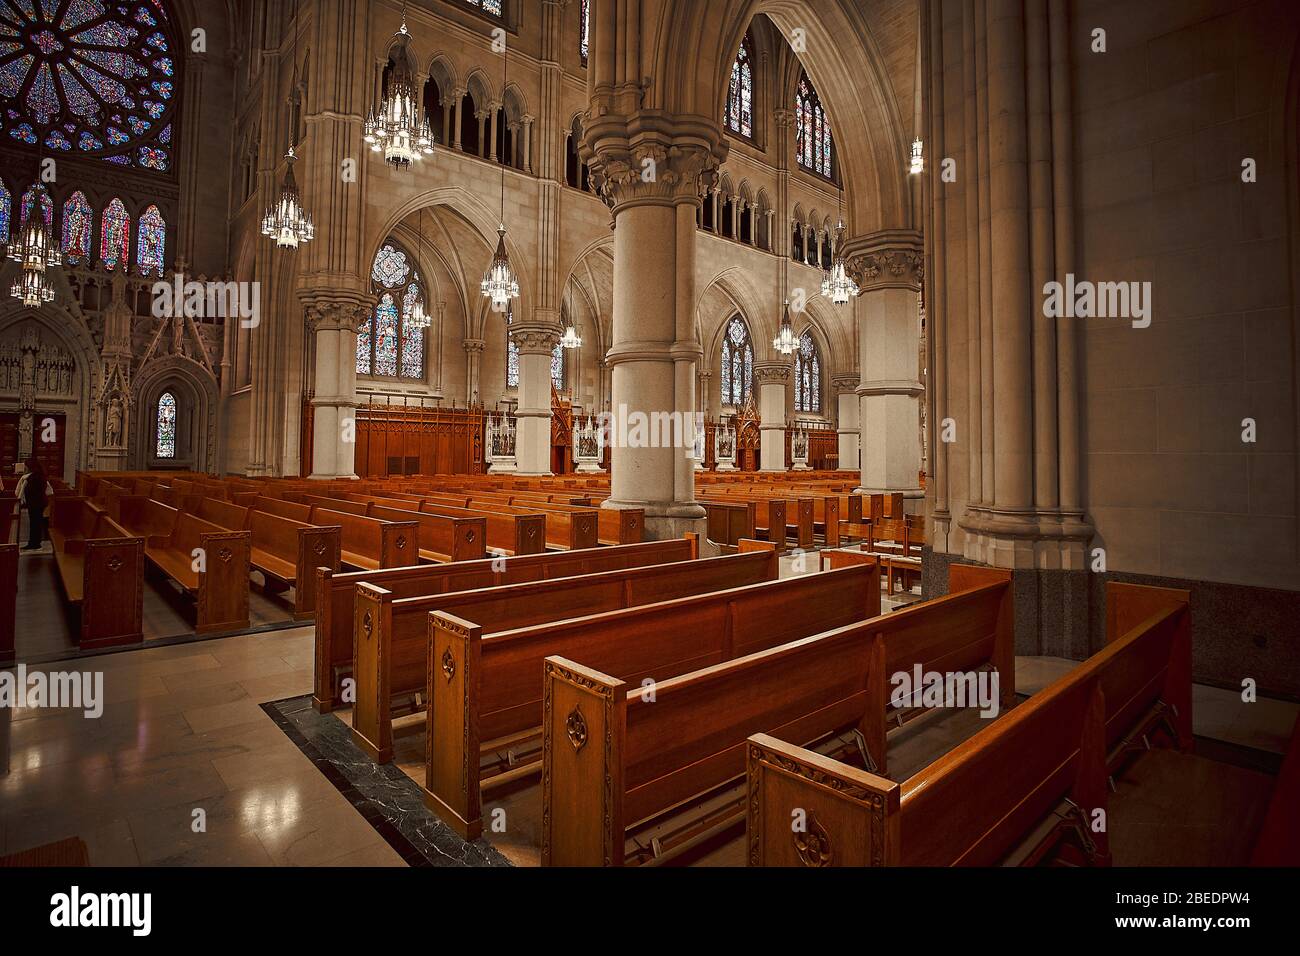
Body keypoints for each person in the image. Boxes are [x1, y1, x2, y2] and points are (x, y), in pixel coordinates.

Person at [18, 458, 49, 551]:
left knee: (35, 523)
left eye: (26, 466)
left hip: (36, 503)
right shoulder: (36, 476)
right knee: (35, 523)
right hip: (36, 503)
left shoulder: (36, 477)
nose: (25, 468)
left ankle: (34, 543)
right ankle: (33, 542)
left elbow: (34, 491)